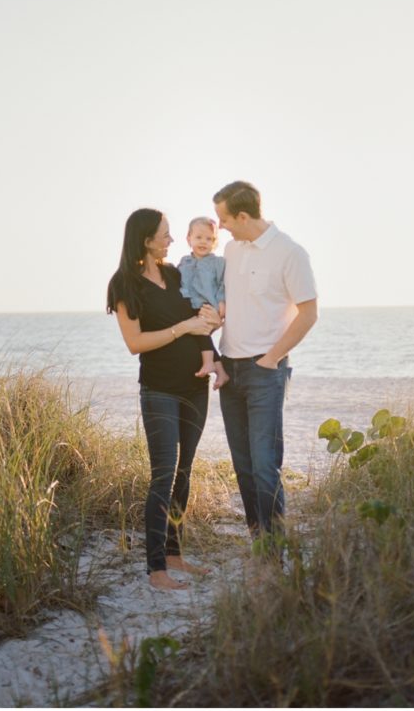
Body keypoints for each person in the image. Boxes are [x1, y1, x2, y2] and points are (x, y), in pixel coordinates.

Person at [106, 208, 221, 591]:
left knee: (185, 472)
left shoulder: (176, 274)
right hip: (158, 389)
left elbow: (200, 317)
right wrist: (183, 328)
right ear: (145, 239)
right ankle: (156, 569)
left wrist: (212, 344)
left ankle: (174, 554)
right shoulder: (124, 285)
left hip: (194, 386)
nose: (171, 240)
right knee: (163, 474)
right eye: (165, 234)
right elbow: (135, 343)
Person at [212, 181, 318, 548]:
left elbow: (308, 313)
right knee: (243, 466)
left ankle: (273, 552)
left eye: (224, 218)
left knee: (264, 466)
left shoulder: (290, 253)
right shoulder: (230, 249)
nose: (220, 226)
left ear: (243, 215)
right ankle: (257, 539)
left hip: (264, 372)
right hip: (229, 370)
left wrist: (271, 358)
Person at [177, 216, 229, 389]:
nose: (203, 242)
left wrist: (222, 301)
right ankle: (221, 372)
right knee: (200, 337)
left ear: (214, 242)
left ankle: (208, 363)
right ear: (188, 238)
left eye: (209, 239)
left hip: (206, 306)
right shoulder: (184, 262)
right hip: (187, 306)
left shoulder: (217, 263)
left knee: (201, 334)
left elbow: (224, 283)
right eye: (199, 237)